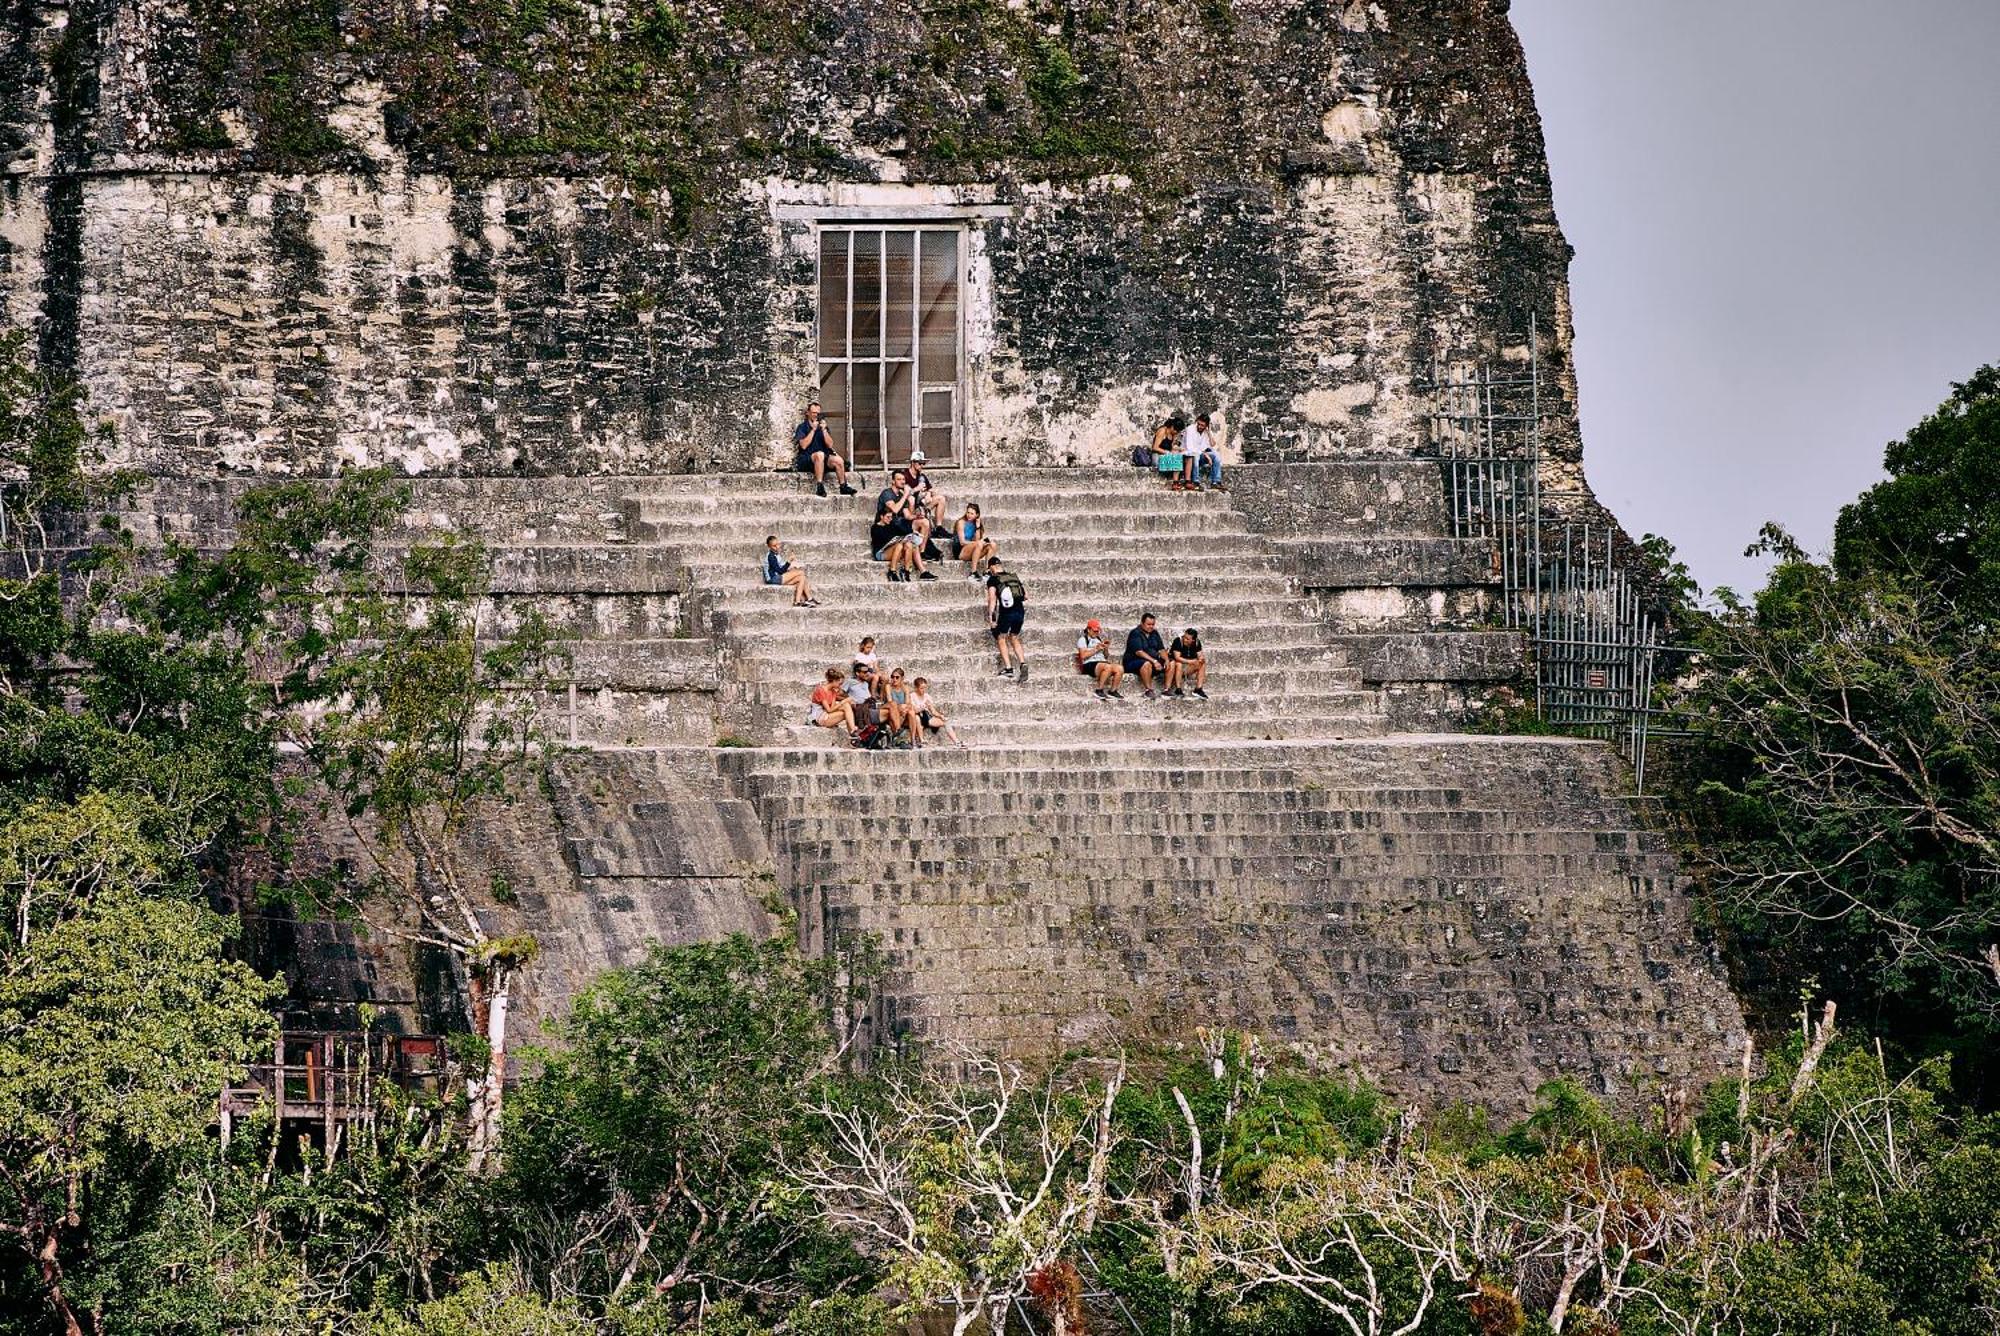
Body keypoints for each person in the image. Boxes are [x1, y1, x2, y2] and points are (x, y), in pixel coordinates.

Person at [793, 402, 857, 497]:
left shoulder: (823, 427)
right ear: (808, 413)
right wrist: (813, 430)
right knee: (819, 455)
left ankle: (843, 486)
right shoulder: (802, 427)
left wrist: (824, 430)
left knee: (838, 460)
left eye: (818, 413)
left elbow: (830, 444)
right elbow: (803, 446)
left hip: (822, 458)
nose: (816, 415)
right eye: (814, 412)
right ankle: (819, 486)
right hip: (807, 459)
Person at [870, 488, 932, 582]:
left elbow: (901, 532)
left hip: (894, 548)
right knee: (899, 545)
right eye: (888, 517)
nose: (890, 519)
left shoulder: (891, 525)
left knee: (911, 545)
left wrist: (912, 534)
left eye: (891, 517)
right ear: (881, 517)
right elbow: (883, 540)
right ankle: (892, 571)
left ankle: (907, 571)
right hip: (881, 552)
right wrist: (898, 540)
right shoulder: (875, 527)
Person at [985, 557, 1028, 680]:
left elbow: (992, 599)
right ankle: (1022, 663)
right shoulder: (1013, 576)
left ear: (992, 567)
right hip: (1020, 611)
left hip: (1007, 613)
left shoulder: (993, 579)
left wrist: (991, 618)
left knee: (1001, 637)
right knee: (1014, 636)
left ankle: (1008, 668)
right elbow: (1026, 596)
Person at [762, 535, 818, 607]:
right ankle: (808, 599)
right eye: (774, 546)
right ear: (769, 547)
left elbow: (782, 567)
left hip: (778, 577)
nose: (777, 547)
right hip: (773, 578)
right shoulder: (771, 556)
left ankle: (800, 601)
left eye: (777, 544)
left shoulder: (776, 554)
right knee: (801, 572)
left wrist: (791, 567)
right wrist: (789, 561)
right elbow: (780, 571)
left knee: (802, 578)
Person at [908, 676, 963, 748]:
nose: (923, 690)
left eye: (925, 688)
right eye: (921, 688)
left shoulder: (927, 696)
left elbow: (933, 711)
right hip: (916, 718)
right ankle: (922, 740)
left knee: (945, 722)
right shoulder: (912, 696)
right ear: (916, 688)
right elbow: (913, 710)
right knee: (916, 717)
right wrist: (923, 707)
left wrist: (940, 716)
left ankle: (956, 742)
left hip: (926, 717)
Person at [1074, 618, 1123, 698]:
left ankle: (1113, 691)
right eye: (1094, 631)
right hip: (1089, 664)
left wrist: (1106, 648)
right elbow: (1083, 656)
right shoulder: (1083, 640)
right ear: (1089, 630)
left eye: (1097, 631)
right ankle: (1099, 690)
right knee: (1107, 666)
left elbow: (1106, 656)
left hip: (1101, 662)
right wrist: (1096, 649)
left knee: (1120, 668)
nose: (1096, 633)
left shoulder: (1098, 639)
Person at [1123, 611, 1168, 697]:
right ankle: (1148, 690)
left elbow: (1161, 649)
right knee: (1146, 664)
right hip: (1133, 662)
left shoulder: (1154, 633)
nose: (1151, 626)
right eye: (1148, 624)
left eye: (1153, 624)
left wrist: (1166, 660)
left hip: (1152, 661)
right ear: (1142, 623)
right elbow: (1139, 652)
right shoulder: (1135, 633)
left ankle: (1167, 690)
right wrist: (1154, 661)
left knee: (1171, 663)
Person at [899, 452, 947, 530]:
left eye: (923, 463)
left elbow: (931, 489)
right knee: (911, 499)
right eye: (920, 463)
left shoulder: (921, 476)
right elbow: (903, 494)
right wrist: (916, 489)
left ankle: (939, 527)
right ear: (913, 462)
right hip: (907, 508)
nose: (922, 465)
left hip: (920, 505)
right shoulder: (904, 475)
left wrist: (928, 493)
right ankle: (911, 525)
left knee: (941, 498)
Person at [1179, 413, 1224, 490]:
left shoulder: (1205, 432)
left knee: (1216, 455)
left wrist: (1209, 432)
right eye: (1198, 424)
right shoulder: (1190, 429)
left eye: (1202, 425)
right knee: (1196, 455)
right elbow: (1190, 448)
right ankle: (1195, 481)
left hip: (1200, 456)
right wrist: (1205, 455)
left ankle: (1216, 482)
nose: (1199, 426)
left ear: (1206, 426)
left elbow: (1212, 444)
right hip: (1188, 457)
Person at [953, 503, 996, 582]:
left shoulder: (975, 524)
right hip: (960, 551)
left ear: (977, 515)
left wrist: (978, 526)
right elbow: (962, 542)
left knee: (992, 545)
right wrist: (979, 542)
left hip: (973, 550)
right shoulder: (961, 522)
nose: (969, 515)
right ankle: (973, 572)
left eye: (972, 513)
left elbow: (977, 539)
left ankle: (987, 572)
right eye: (968, 512)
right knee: (979, 543)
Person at [808, 668, 859, 735]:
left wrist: (844, 701)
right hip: (819, 717)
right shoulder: (820, 690)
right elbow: (829, 710)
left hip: (826, 714)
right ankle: (853, 732)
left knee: (846, 706)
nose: (840, 686)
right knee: (845, 712)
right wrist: (843, 701)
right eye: (839, 684)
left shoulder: (833, 691)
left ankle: (852, 731)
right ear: (834, 681)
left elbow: (832, 708)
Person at [878, 666, 918, 746]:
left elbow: (907, 703)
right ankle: (898, 734)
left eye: (897, 677)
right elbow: (890, 702)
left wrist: (905, 709)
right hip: (893, 712)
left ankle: (913, 739)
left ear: (902, 678)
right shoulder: (888, 687)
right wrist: (902, 707)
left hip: (903, 713)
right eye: (892, 677)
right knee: (895, 705)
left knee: (911, 712)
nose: (894, 679)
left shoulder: (905, 688)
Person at [1166, 626, 1208, 698]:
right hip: (1174, 669)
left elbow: (1200, 655)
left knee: (1202, 664)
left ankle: (1198, 689)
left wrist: (1201, 659)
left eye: (1187, 639)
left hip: (1186, 668)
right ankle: (1178, 689)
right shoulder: (1178, 641)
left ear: (1193, 640)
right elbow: (1177, 657)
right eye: (1184, 637)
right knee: (1178, 664)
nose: (1184, 639)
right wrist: (1191, 661)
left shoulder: (1197, 642)